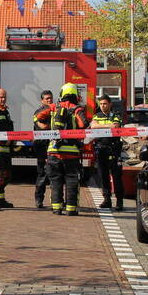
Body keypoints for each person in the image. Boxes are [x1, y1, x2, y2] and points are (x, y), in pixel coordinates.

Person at [38, 82, 87, 216]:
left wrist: (46, 126)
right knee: (71, 180)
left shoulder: (54, 107)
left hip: (54, 151)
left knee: (55, 180)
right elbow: (83, 124)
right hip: (71, 152)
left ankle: (56, 208)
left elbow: (38, 116)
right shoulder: (77, 109)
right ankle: (71, 209)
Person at [91, 94, 124, 211]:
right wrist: (106, 126)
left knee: (116, 177)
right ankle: (107, 200)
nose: (102, 106)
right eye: (100, 104)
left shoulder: (116, 115)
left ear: (110, 104)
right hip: (101, 149)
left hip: (114, 149)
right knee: (103, 176)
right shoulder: (97, 115)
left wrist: (101, 126)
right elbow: (93, 126)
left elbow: (115, 126)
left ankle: (119, 201)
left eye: (105, 103)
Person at [32, 90, 54, 209]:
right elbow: (43, 127)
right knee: (42, 174)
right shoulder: (39, 112)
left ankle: (55, 200)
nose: (49, 100)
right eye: (47, 99)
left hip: (52, 145)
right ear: (42, 101)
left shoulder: (54, 111)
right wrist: (54, 127)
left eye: (50, 98)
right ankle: (39, 200)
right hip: (41, 146)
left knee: (54, 173)